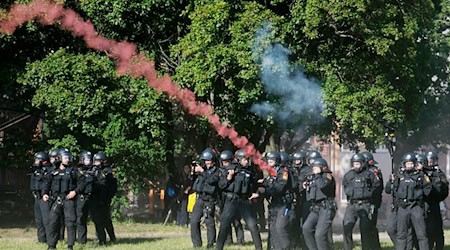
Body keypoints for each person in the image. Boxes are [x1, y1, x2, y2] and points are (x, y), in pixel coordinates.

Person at [215, 149, 262, 250]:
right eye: (245, 159)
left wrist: (256, 193)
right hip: (231, 201)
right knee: (224, 226)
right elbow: (221, 185)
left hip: (244, 201)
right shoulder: (230, 169)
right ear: (239, 159)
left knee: (253, 225)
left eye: (248, 159)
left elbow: (253, 184)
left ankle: (259, 248)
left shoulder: (249, 171)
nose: (247, 161)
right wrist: (229, 177)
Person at [342, 153, 381, 250]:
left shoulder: (369, 175)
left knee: (365, 229)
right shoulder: (348, 175)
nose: (356, 166)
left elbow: (376, 187)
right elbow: (345, 186)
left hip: (365, 204)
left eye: (358, 164)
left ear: (362, 164)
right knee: (347, 226)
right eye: (354, 164)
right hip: (352, 204)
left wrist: (370, 197)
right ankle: (348, 247)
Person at [393, 153, 431, 250]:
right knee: (401, 235)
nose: (409, 166)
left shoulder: (421, 176)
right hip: (403, 208)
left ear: (414, 164)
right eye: (407, 164)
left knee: (422, 234)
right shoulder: (399, 176)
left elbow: (428, 190)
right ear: (404, 164)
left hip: (416, 207)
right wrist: (391, 181)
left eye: (411, 164)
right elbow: (392, 190)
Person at [42, 149, 77, 250]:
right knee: (53, 222)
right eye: (65, 157)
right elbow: (46, 184)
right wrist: (44, 193)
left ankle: (70, 245)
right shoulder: (52, 172)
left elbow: (81, 183)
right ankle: (51, 245)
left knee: (70, 222)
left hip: (68, 200)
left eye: (68, 157)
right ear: (60, 158)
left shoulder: (73, 171)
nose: (68, 159)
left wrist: (75, 191)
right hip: (56, 200)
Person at [302, 158, 336, 250]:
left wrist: (317, 175)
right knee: (306, 228)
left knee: (319, 235)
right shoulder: (314, 178)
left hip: (326, 207)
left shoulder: (327, 176)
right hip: (316, 208)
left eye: (316, 168)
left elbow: (322, 185)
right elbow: (310, 195)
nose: (314, 169)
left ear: (322, 167)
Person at [190, 148, 221, 248]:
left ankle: (210, 243)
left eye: (209, 160)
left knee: (209, 221)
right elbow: (194, 182)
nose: (207, 163)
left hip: (209, 199)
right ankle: (196, 243)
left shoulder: (216, 171)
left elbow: (212, 180)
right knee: (194, 220)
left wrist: (202, 171)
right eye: (205, 160)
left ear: (213, 161)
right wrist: (193, 172)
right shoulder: (203, 171)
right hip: (200, 198)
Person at [262, 151, 292, 250]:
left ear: (277, 161)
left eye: (272, 160)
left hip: (283, 204)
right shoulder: (271, 172)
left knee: (281, 227)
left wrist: (265, 190)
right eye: (268, 160)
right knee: (273, 228)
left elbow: (280, 187)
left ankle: (286, 248)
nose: (269, 162)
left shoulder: (283, 171)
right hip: (274, 203)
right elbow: (268, 183)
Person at [424, 151, 448, 250]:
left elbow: (444, 190)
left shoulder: (439, 174)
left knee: (437, 230)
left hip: (435, 204)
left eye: (431, 161)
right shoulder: (422, 173)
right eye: (428, 161)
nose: (430, 163)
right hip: (424, 205)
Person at [361, 151, 383, 250]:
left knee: (370, 226)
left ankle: (374, 246)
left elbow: (378, 187)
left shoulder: (374, 171)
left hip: (372, 202)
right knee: (365, 227)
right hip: (364, 202)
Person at [30, 151, 51, 243]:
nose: (35, 161)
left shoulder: (48, 170)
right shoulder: (36, 170)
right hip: (37, 197)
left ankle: (49, 239)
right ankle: (41, 239)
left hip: (44, 197)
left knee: (46, 219)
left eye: (37, 159)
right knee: (38, 219)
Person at [75, 150, 94, 244]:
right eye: (87, 159)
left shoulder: (95, 170)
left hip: (93, 197)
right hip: (81, 197)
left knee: (97, 219)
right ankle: (82, 240)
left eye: (90, 159)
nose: (89, 161)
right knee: (80, 219)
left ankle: (101, 239)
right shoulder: (77, 171)